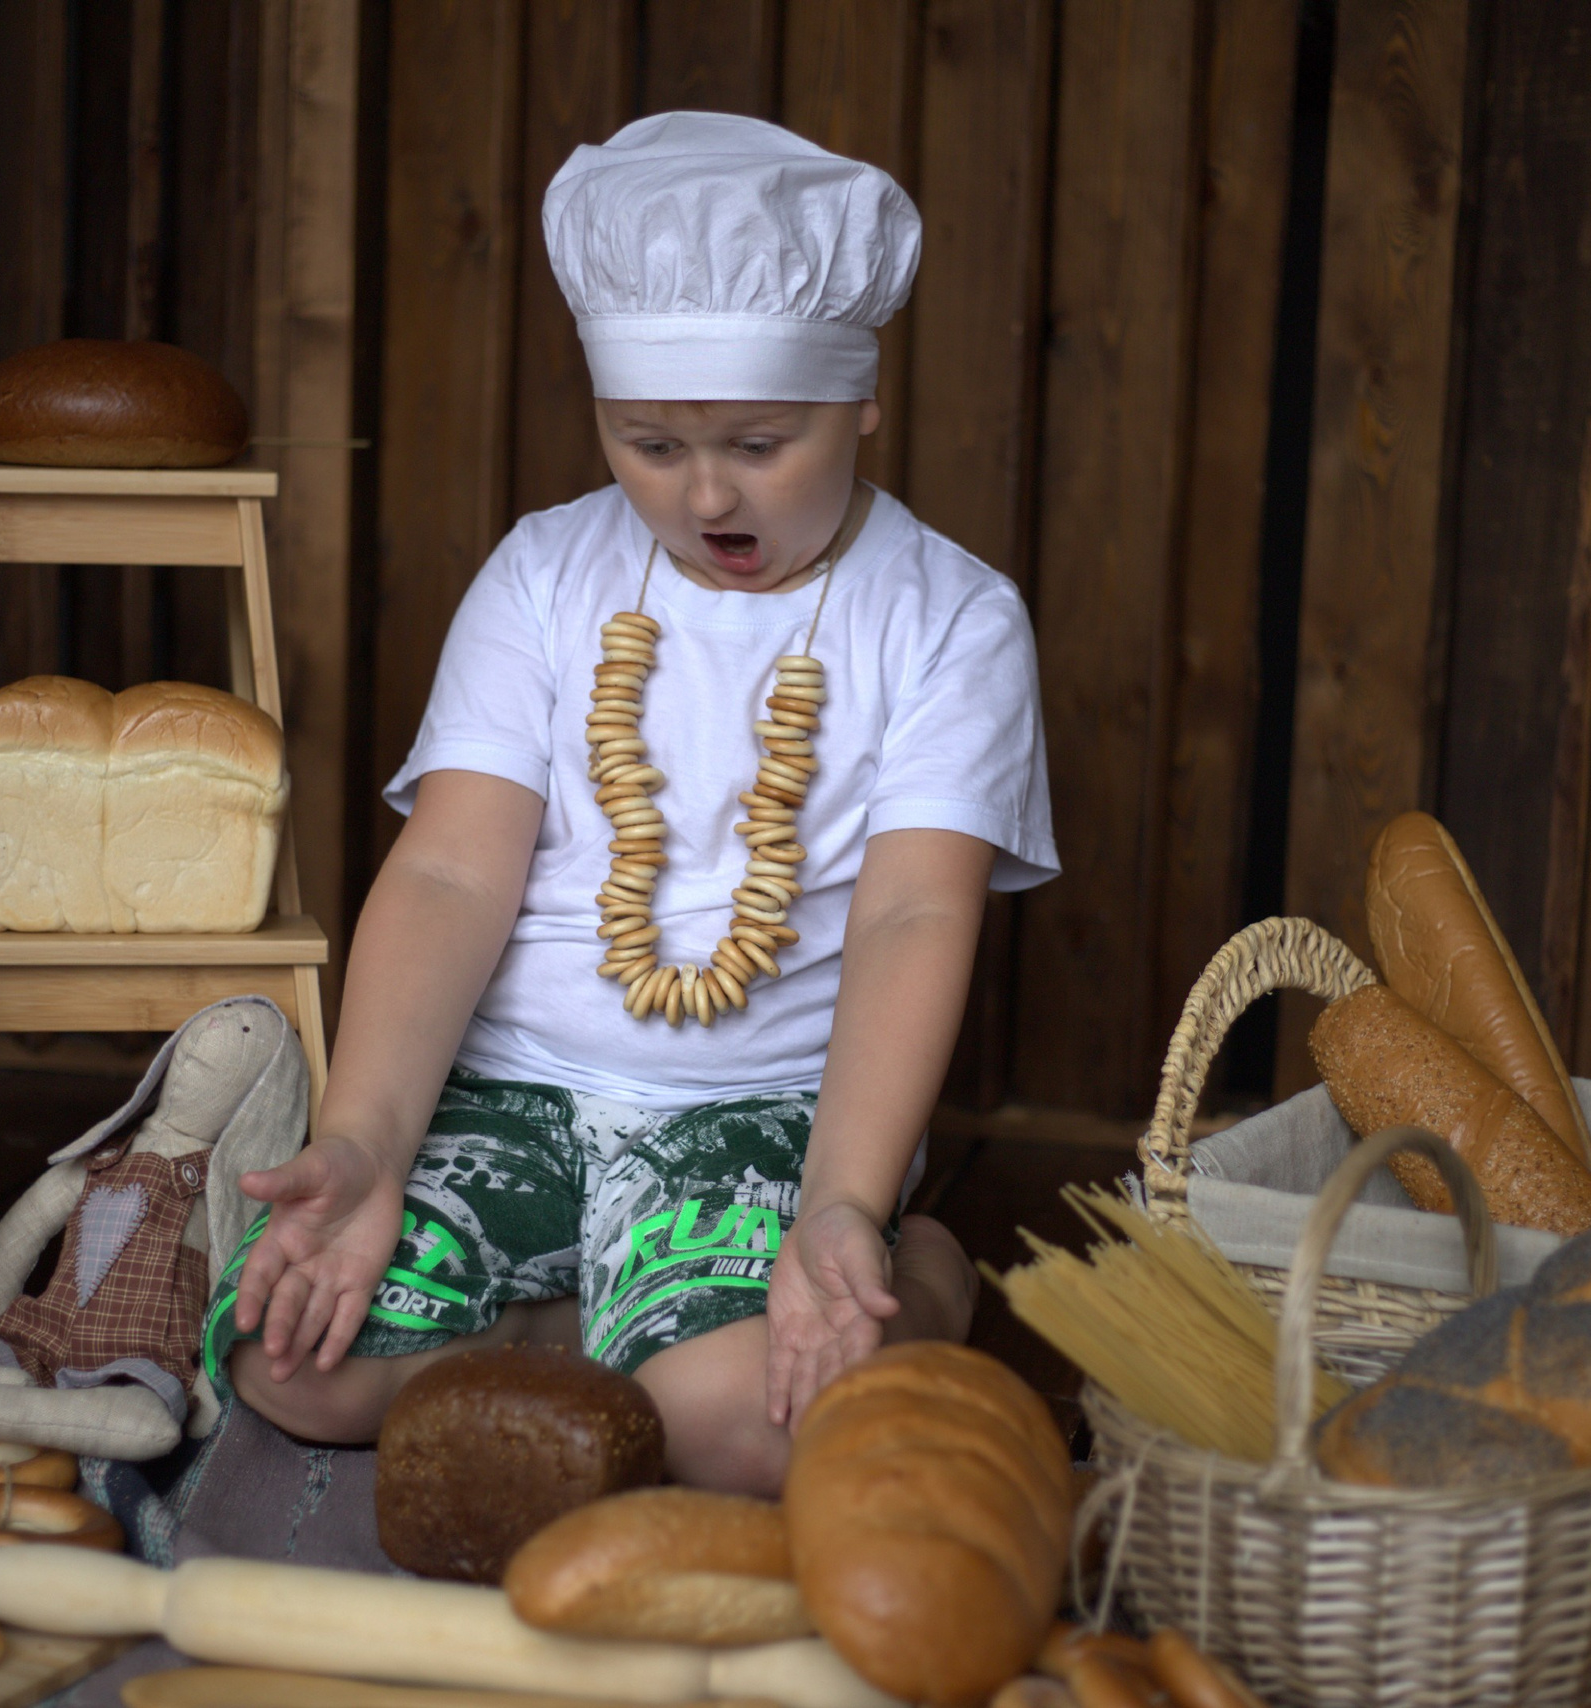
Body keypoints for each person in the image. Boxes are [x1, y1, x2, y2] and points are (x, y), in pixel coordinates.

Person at [203, 112, 1056, 1496]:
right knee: (292, 1356)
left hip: (762, 1111)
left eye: (760, 442)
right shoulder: (545, 575)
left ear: (860, 398)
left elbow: (913, 914)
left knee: (746, 1425)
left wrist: (840, 1200)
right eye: (649, 443)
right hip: (517, 1087)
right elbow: (451, 875)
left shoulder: (951, 618)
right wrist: (364, 1141)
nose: (705, 492)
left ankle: (918, 1270)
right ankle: (590, 1334)